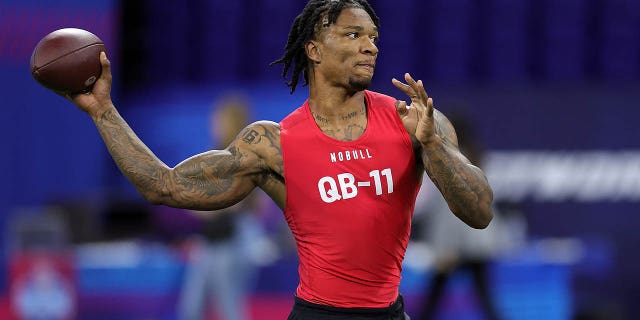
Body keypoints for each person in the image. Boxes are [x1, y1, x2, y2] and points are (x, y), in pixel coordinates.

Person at [64, 1, 494, 319]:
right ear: (314, 49)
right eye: (353, 35)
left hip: (389, 313)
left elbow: (479, 214)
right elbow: (164, 185)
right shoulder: (272, 144)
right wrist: (104, 112)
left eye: (374, 38)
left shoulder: (413, 122)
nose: (370, 47)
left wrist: (434, 147)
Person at [177, 94, 263, 320]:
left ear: (232, 122)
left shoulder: (246, 157)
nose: (214, 125)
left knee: (229, 307)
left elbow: (240, 201)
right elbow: (193, 200)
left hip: (234, 240)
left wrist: (208, 202)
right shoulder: (213, 156)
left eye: (219, 120)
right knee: (191, 308)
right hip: (208, 241)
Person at [413, 112, 504, 320]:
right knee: (485, 299)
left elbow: (449, 211)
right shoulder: (476, 156)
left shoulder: (446, 158)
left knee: (433, 301)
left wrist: (447, 248)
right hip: (478, 242)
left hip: (458, 245)